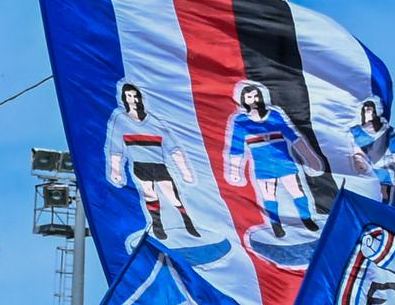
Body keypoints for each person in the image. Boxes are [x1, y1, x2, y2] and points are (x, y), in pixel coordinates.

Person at [224, 79, 322, 238]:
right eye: (249, 97)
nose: (254, 100)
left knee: (296, 191)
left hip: (284, 161)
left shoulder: (275, 116)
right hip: (262, 166)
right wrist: (235, 171)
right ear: (243, 100)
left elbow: (294, 137)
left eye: (256, 96)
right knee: (269, 196)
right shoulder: (241, 122)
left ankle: (306, 218)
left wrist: (310, 158)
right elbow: (236, 147)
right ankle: (275, 224)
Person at [104, 80, 202, 239]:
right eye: (129, 96)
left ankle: (188, 223)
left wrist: (185, 171)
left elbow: (173, 148)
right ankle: (158, 226)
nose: (133, 100)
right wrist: (116, 171)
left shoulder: (154, 122)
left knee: (172, 196)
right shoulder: (121, 121)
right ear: (124, 98)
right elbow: (116, 149)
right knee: (150, 194)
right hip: (140, 166)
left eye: (135, 96)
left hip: (159, 165)